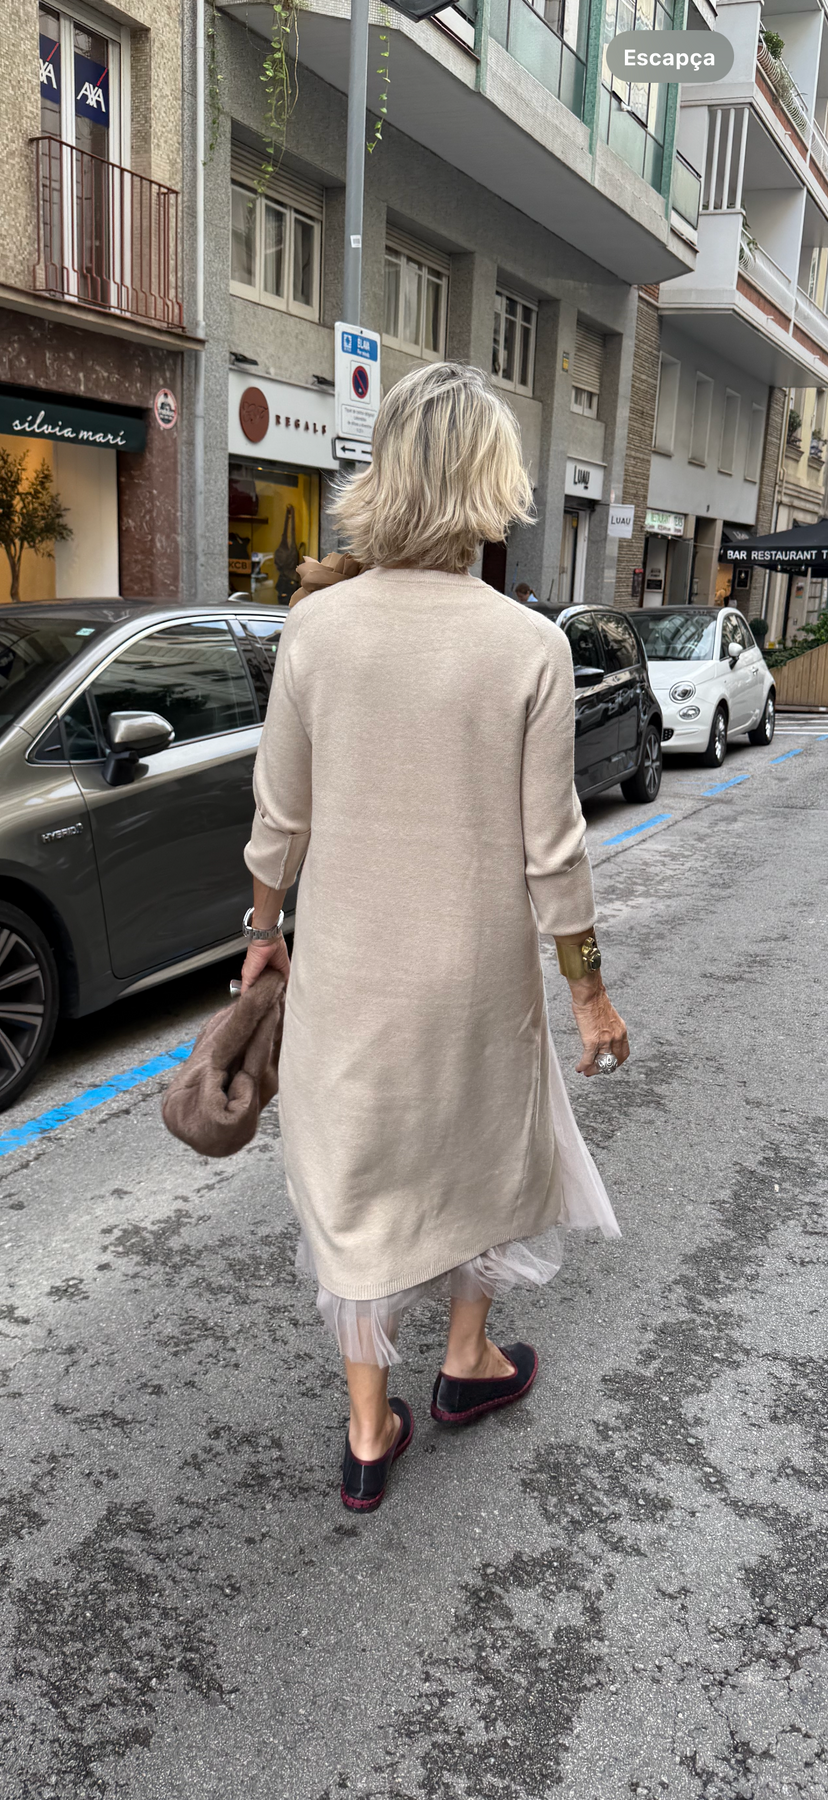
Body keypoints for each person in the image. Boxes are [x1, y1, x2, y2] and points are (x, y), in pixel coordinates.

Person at [240, 362, 628, 1513]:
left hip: (346, 979)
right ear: (491, 483)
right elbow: (553, 852)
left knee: (359, 1177)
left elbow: (279, 819)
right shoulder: (528, 645)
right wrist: (589, 993)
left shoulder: (317, 629)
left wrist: (261, 932)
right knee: (483, 1156)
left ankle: (368, 1433)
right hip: (475, 980)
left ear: (388, 471)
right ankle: (467, 1360)